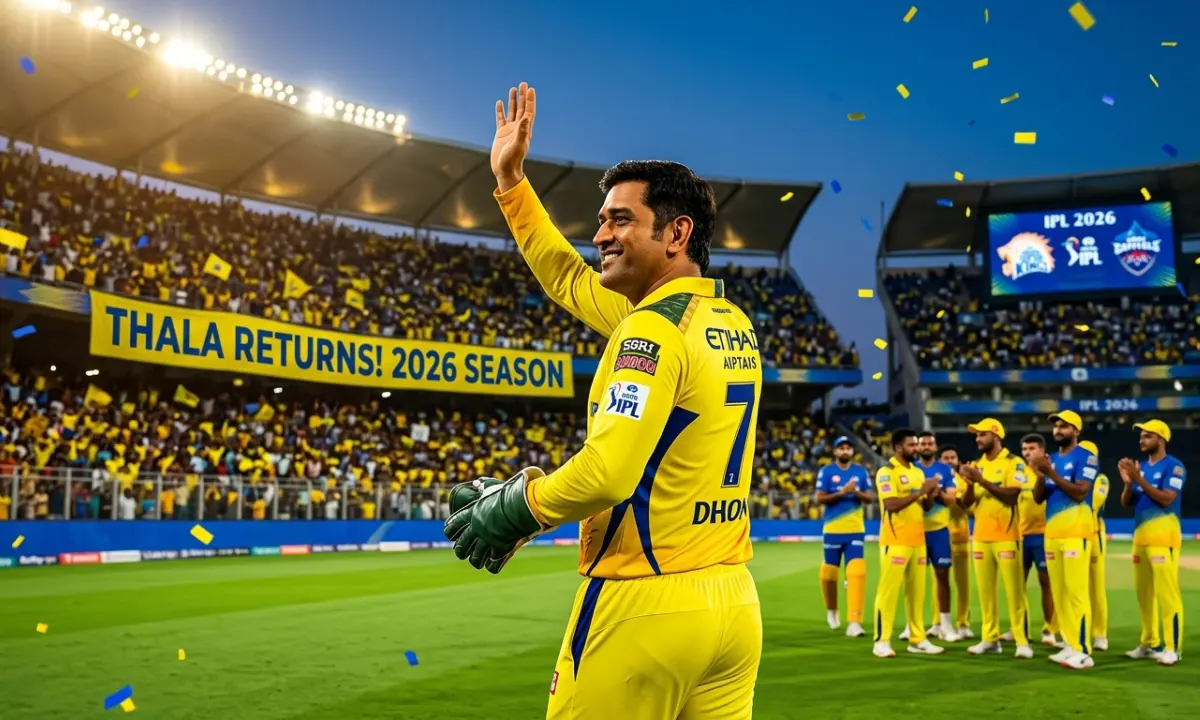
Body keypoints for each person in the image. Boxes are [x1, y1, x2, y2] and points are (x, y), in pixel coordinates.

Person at [443, 83, 763, 718]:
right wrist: (511, 183)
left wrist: (516, 508)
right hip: (732, 605)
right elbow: (566, 276)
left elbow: (609, 473)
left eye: (621, 220)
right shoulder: (727, 319)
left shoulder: (647, 330)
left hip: (644, 604)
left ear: (677, 232)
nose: (601, 235)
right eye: (602, 220)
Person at [960, 418, 1033, 659]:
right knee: (985, 593)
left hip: (1007, 536)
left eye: (982, 434)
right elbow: (965, 504)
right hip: (980, 537)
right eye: (976, 435)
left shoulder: (1015, 463)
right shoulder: (976, 464)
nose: (977, 439)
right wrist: (970, 483)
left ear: (996, 434)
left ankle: (1022, 641)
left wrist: (980, 480)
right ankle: (989, 638)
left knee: (1014, 592)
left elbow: (1012, 496)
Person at [1029, 411, 1096, 670]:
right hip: (1053, 535)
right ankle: (1069, 644)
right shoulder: (1052, 459)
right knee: (1061, 593)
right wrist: (1039, 474)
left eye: (1064, 426)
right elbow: (1038, 497)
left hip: (1075, 533)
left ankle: (1083, 651)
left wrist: (1050, 473)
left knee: (1077, 593)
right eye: (1056, 426)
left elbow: (1080, 492)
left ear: (1076, 431)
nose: (1058, 430)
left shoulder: (1086, 457)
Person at [870, 429, 944, 658]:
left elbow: (926, 507)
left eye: (917, 444)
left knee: (917, 594)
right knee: (888, 593)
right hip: (895, 541)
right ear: (899, 447)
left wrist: (930, 493)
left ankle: (917, 638)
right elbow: (891, 504)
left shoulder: (917, 472)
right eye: (912, 445)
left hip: (917, 541)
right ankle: (881, 641)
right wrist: (920, 492)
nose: (917, 448)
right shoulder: (886, 471)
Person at [1119, 419, 1185, 666]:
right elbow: (1127, 502)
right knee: (1144, 595)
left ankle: (1172, 648)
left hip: (1163, 538)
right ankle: (1149, 643)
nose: (1141, 440)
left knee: (1168, 595)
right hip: (1141, 540)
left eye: (1147, 435)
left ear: (1161, 439)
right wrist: (1128, 483)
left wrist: (1139, 479)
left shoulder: (1174, 467)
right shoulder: (1142, 468)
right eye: (1141, 436)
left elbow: (1167, 499)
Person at [814, 436, 874, 637]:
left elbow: (870, 498)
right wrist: (842, 493)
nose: (845, 451)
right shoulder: (827, 471)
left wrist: (854, 491)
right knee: (829, 575)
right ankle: (832, 611)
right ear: (835, 452)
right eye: (842, 448)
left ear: (852, 452)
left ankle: (854, 623)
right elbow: (819, 498)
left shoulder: (860, 472)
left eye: (848, 448)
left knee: (857, 572)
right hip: (832, 530)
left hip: (855, 530)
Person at [901, 431, 958, 642]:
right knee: (914, 581)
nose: (925, 446)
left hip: (939, 531)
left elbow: (951, 499)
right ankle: (911, 625)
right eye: (921, 443)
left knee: (942, 576)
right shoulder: (910, 469)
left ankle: (945, 625)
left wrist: (936, 492)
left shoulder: (944, 469)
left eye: (929, 443)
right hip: (915, 532)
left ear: (935, 447)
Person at [1012, 433, 1058, 648]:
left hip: (1043, 535)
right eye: (1024, 449)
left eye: (1031, 449)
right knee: (1016, 585)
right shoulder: (1019, 475)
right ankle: (1019, 629)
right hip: (1020, 537)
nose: (1027, 453)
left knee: (1046, 583)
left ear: (1041, 450)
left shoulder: (1051, 470)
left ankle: (1049, 629)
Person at [939, 445, 974, 638]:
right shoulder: (936, 479)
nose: (950, 460)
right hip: (940, 536)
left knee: (962, 584)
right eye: (945, 458)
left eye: (953, 457)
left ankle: (963, 623)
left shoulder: (964, 480)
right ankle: (939, 623)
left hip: (960, 537)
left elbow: (970, 506)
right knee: (940, 580)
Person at [1078, 440, 1109, 652]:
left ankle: (1100, 634)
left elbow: (1095, 503)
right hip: (1074, 534)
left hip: (1094, 534)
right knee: (1074, 588)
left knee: (1096, 587)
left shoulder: (1101, 479)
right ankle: (1073, 631)